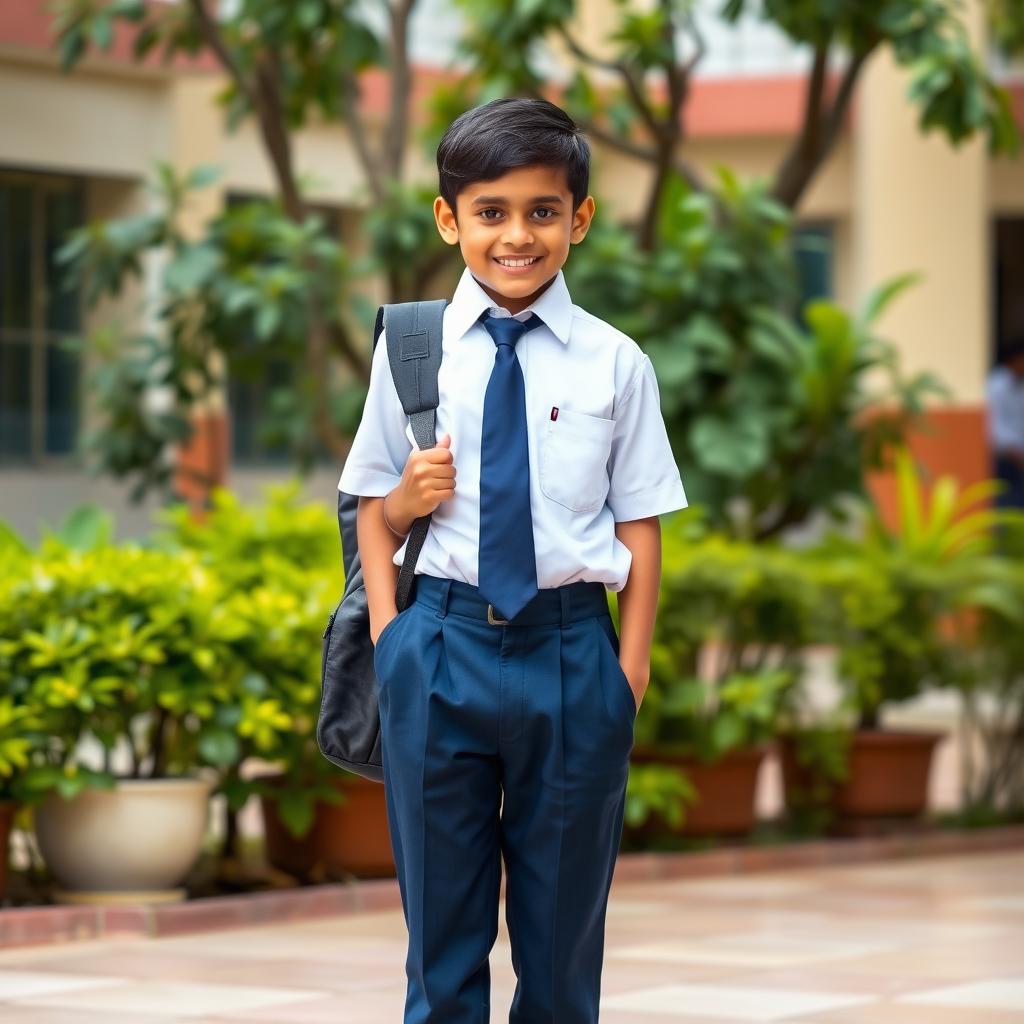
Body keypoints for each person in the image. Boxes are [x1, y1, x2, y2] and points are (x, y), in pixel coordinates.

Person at [338, 96, 687, 1024]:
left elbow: (642, 524)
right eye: (491, 213)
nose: (517, 236)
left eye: (542, 211)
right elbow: (372, 510)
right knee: (441, 953)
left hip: (572, 658)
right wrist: (391, 644)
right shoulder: (412, 352)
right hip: (439, 651)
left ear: (579, 218)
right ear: (451, 219)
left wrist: (629, 674)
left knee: (562, 950)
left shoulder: (616, 364)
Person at [987, 336, 1024, 513]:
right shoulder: (995, 384)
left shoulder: (1021, 385)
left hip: (1019, 456)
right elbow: (992, 424)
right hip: (1002, 456)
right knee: (1003, 502)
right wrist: (1013, 450)